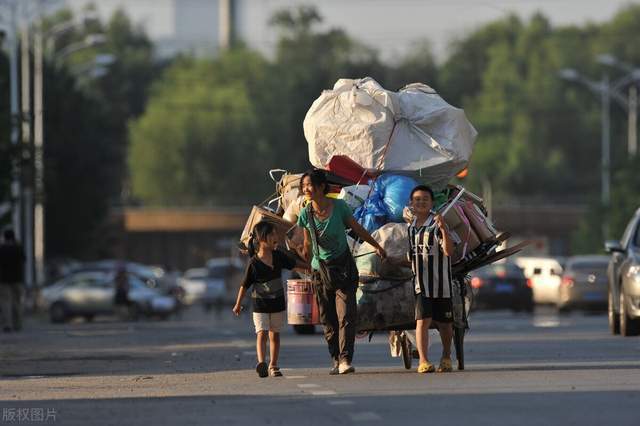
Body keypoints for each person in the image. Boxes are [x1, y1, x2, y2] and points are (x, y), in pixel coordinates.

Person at [297, 169, 387, 375]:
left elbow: (357, 229)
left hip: (344, 268)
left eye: (309, 185)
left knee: (345, 315)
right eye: (303, 187)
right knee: (328, 319)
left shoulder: (339, 206)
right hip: (321, 272)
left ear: (321, 187)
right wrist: (297, 253)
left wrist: (376, 246)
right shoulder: (305, 214)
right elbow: (306, 245)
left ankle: (346, 359)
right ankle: (335, 358)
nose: (306, 189)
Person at [232, 221, 306, 378]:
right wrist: (238, 304)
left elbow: (294, 265)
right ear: (261, 239)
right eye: (272, 234)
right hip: (260, 305)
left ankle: (273, 364)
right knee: (262, 333)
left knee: (275, 334)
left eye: (275, 234)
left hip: (277, 303)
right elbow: (244, 285)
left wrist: (311, 267)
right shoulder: (254, 263)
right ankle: (262, 363)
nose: (276, 237)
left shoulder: (278, 256)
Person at [407, 185, 455, 374]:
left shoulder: (437, 225)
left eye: (425, 199)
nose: (421, 202)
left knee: (445, 323)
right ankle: (424, 361)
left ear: (432, 202)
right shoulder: (410, 228)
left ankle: (446, 356)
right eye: (417, 199)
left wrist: (444, 229)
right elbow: (409, 257)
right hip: (421, 285)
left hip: (441, 284)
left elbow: (449, 251)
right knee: (422, 322)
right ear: (411, 203)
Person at [0, 229, 26, 332]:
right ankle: (18, 324)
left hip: (3, 279)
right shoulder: (19, 248)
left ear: (4, 237)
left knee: (5, 302)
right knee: (17, 302)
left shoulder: (1, 249)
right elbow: (24, 260)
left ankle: (7, 324)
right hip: (17, 279)